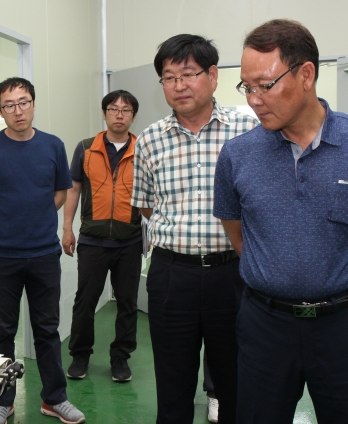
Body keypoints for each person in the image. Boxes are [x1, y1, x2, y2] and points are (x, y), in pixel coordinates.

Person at [213, 19, 348, 424]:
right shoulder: (237, 155)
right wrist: (279, 275)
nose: (254, 100)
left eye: (264, 85)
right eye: (246, 87)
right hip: (264, 326)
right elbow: (238, 235)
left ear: (306, 75)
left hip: (345, 327)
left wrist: (332, 277)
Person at [132, 34, 259, 424]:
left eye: (188, 74)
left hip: (233, 273)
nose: (179, 85)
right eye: (169, 78)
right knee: (173, 385)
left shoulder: (250, 128)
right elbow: (148, 205)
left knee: (236, 380)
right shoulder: (150, 140)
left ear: (213, 75)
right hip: (172, 276)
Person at [0, 77, 85, 424]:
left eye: (24, 102)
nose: (18, 111)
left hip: (44, 254)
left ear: (33, 104)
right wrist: (2, 222)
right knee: (3, 331)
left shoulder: (53, 145)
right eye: (9, 105)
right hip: (2, 256)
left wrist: (37, 216)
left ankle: (54, 398)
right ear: (0, 110)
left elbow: (61, 191)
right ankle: (1, 401)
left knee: (47, 329)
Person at [62, 90, 143, 383]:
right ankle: (80, 355)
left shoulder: (143, 148)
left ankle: (120, 358)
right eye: (113, 109)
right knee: (85, 301)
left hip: (129, 240)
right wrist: (67, 227)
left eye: (125, 110)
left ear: (133, 116)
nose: (119, 115)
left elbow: (153, 193)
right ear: (105, 113)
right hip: (93, 240)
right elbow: (73, 188)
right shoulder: (86, 148)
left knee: (127, 303)